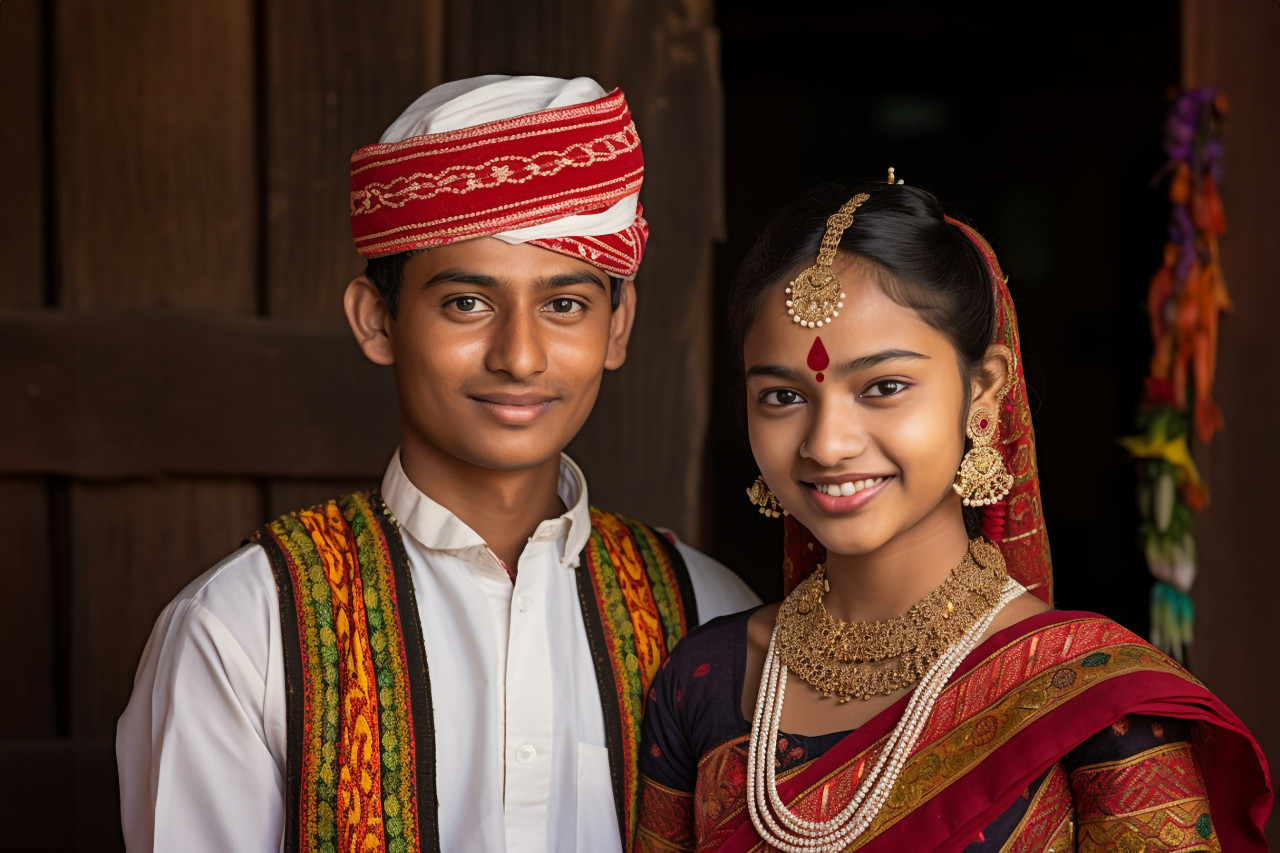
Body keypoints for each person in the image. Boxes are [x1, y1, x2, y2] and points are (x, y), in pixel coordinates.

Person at [116, 75, 759, 853]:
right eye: (467, 303)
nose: (520, 356)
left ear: (617, 327)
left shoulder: (712, 618)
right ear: (376, 320)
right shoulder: (244, 630)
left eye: (565, 305)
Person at [634, 178, 1272, 851]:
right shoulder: (704, 681)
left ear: (985, 388)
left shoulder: (1087, 699)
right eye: (782, 397)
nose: (826, 443)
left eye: (883, 387)